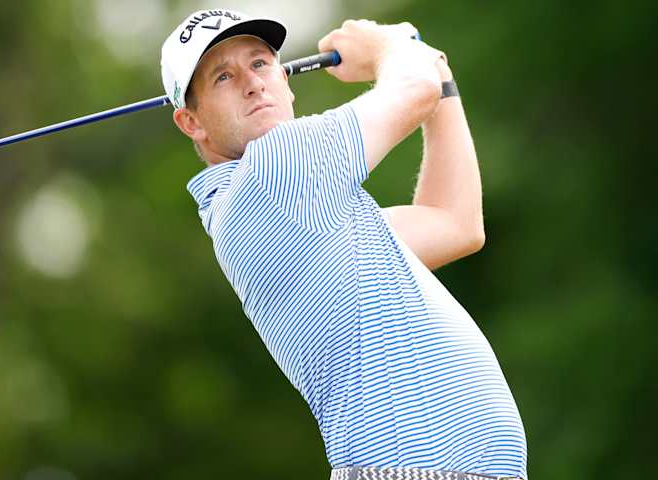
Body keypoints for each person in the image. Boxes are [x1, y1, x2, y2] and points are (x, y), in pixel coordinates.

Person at [160, 9, 527, 480]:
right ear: (192, 122)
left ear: (286, 80)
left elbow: (455, 223)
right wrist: (387, 46)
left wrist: (438, 71)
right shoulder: (273, 174)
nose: (252, 84)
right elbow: (413, 90)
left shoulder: (307, 211)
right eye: (223, 77)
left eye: (260, 63)